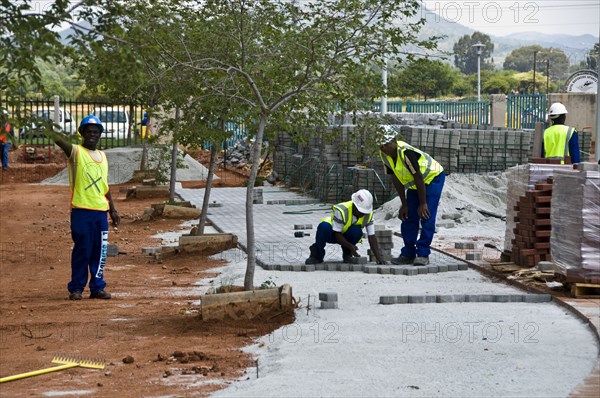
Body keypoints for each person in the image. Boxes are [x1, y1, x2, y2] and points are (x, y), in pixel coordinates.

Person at [46, 115, 120, 300]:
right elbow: (61, 142)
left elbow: (104, 185)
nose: (92, 135)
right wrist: (49, 129)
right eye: (89, 131)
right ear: (82, 133)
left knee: (99, 251)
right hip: (81, 210)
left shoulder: (103, 156)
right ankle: (77, 288)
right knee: (82, 249)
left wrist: (113, 209)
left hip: (101, 212)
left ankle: (97, 287)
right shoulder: (76, 152)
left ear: (100, 134)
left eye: (96, 132)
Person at [379, 139, 445, 266]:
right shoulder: (384, 156)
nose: (383, 148)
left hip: (432, 178)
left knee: (426, 214)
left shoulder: (406, 153)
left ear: (393, 142)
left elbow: (418, 176)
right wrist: (404, 204)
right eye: (381, 146)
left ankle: (423, 253)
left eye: (386, 145)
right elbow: (395, 178)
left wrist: (423, 203)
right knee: (408, 216)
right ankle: (408, 253)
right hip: (417, 184)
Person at [304, 189, 387, 265]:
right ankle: (317, 255)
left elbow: (372, 237)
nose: (363, 214)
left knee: (357, 232)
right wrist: (351, 246)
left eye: (364, 212)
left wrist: (378, 257)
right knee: (323, 227)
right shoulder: (342, 210)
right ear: (354, 205)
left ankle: (347, 254)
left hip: (346, 235)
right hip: (332, 232)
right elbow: (336, 234)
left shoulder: (368, 215)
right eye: (361, 211)